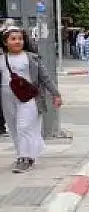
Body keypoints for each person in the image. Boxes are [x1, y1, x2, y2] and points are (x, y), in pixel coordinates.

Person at [1, 26, 62, 173]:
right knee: (14, 128)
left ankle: (24, 158)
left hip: (29, 98)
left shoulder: (32, 58)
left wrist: (56, 94)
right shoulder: (2, 59)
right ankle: (24, 155)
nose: (17, 41)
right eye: (13, 39)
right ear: (5, 42)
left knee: (24, 127)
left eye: (20, 39)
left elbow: (45, 78)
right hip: (7, 99)